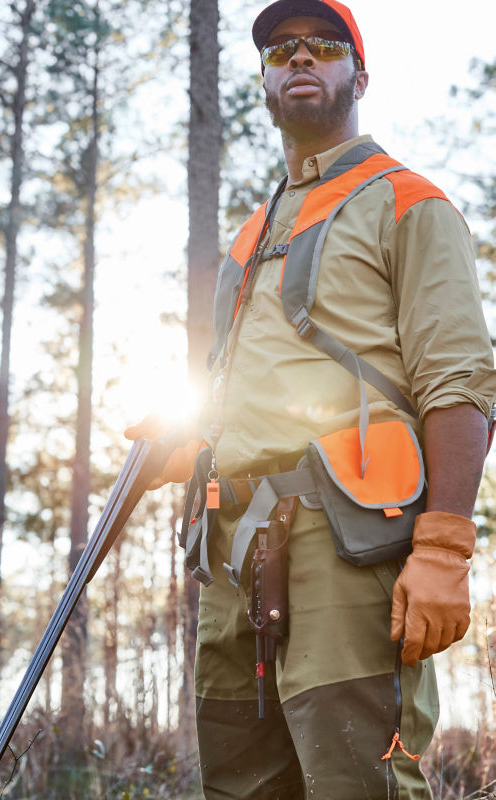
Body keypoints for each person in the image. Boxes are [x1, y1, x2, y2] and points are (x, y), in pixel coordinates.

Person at [126, 1, 496, 797]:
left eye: (323, 46)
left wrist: (443, 548)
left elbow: (458, 380)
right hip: (231, 554)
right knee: (240, 785)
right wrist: (188, 445)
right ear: (263, 81)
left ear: (358, 76)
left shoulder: (409, 202)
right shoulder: (251, 234)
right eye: (280, 50)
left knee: (355, 781)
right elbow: (240, 389)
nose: (299, 58)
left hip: (347, 546)